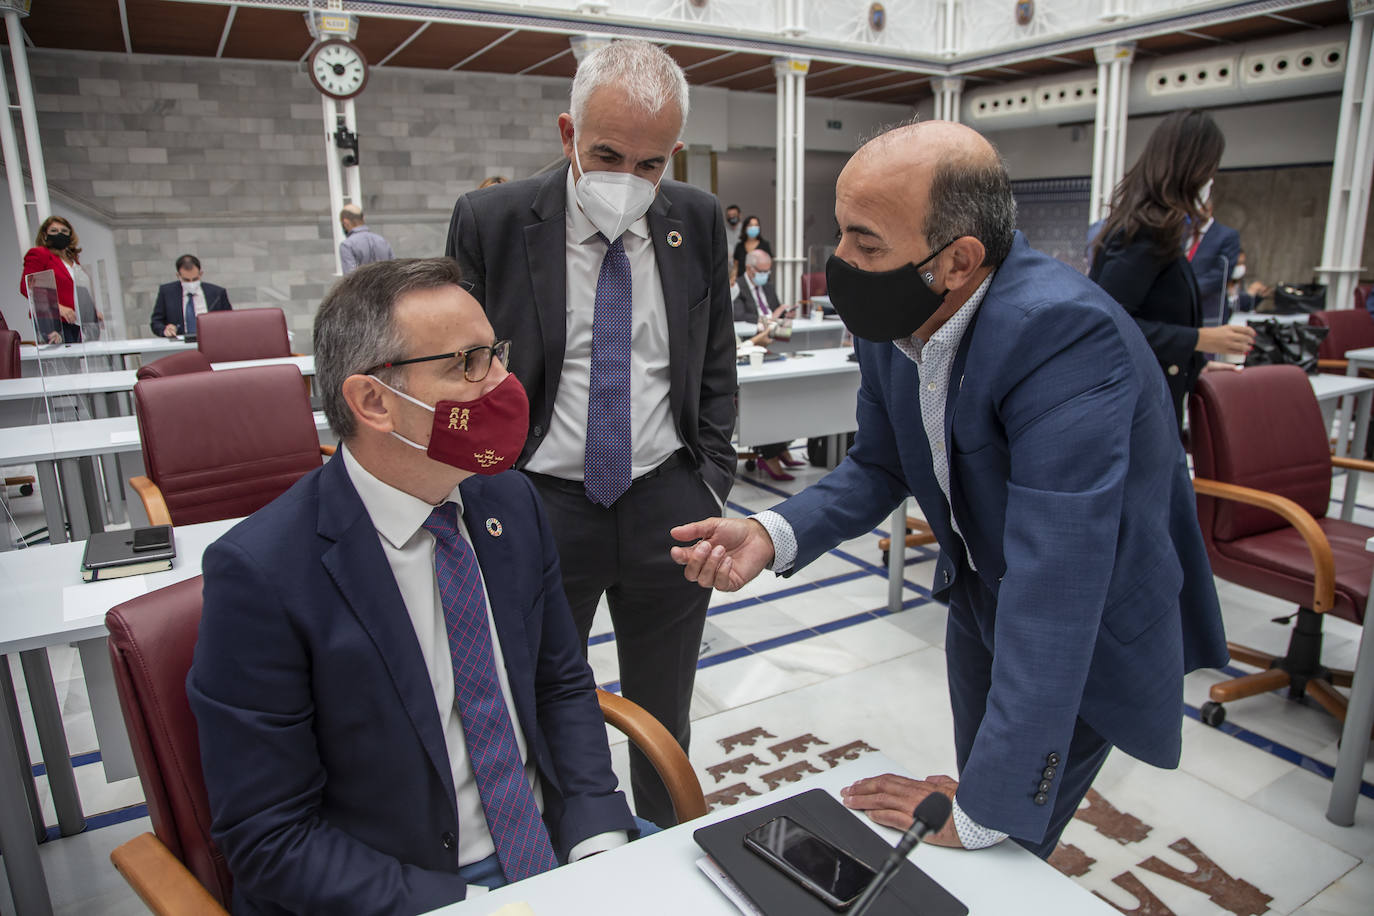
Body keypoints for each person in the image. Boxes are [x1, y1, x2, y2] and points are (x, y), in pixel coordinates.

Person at [669, 121, 1228, 860]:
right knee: (984, 788)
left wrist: (984, 809)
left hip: (1085, 624)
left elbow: (1056, 587)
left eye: (866, 244)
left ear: (958, 260)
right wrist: (774, 532)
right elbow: (881, 463)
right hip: (982, 592)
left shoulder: (1062, 336)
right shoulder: (892, 311)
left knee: (1005, 838)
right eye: (840, 234)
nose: (842, 265)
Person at [187, 258, 639, 915]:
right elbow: (268, 835)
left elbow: (557, 681)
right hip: (405, 887)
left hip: (552, 846)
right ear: (373, 401)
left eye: (498, 354)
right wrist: (463, 904)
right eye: (468, 364)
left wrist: (595, 834)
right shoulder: (261, 575)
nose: (503, 385)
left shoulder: (509, 502)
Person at [445, 39, 737, 828]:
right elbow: (457, 371)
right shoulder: (493, 222)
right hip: (540, 501)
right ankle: (569, 851)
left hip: (666, 500)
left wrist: (709, 475)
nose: (627, 180)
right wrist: (477, 494)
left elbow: (715, 358)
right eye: (608, 154)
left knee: (663, 712)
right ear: (568, 134)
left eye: (650, 164)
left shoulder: (699, 220)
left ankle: (668, 851)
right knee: (542, 702)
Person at [1089, 109, 1254, 430]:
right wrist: (1199, 339)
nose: (1211, 181)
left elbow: (1157, 314)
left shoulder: (1161, 228)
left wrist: (1197, 365)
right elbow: (1108, 324)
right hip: (1135, 411)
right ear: (1192, 169)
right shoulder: (1144, 233)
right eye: (1210, 169)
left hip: (1154, 397)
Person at [20, 216, 101, 344]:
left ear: (70, 235)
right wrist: (58, 307)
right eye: (54, 231)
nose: (59, 234)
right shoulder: (39, 253)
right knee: (64, 362)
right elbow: (27, 287)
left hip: (76, 322)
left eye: (64, 231)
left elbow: (78, 290)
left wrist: (93, 312)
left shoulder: (72, 259)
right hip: (53, 322)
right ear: (45, 235)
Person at [150, 254, 231, 337]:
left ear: (200, 274)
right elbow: (156, 322)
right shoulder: (167, 292)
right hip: (179, 343)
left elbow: (230, 320)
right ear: (178, 276)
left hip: (211, 340)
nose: (191, 283)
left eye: (195, 279)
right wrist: (165, 330)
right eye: (186, 280)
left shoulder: (217, 293)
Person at [1187, 200, 1241, 325]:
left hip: (1208, 312)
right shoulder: (1182, 233)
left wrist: (1185, 291)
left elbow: (1219, 275)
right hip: (1180, 313)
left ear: (1210, 207)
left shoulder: (1227, 235)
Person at [339, 204, 396, 275]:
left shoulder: (347, 245)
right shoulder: (382, 240)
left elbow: (350, 277)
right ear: (363, 219)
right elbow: (394, 270)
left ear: (346, 222)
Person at [1226, 249, 1273, 317]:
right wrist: (1249, 294)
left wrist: (1259, 297)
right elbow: (1229, 308)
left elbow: (1245, 308)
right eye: (1238, 264)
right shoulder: (1219, 285)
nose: (1241, 267)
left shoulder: (1238, 282)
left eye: (1242, 263)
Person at [731, 214, 772, 281]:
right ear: (745, 228)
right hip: (743, 283)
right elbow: (736, 267)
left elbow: (768, 267)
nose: (754, 227)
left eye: (756, 225)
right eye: (751, 225)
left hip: (760, 281)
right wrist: (732, 278)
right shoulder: (739, 246)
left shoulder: (765, 245)